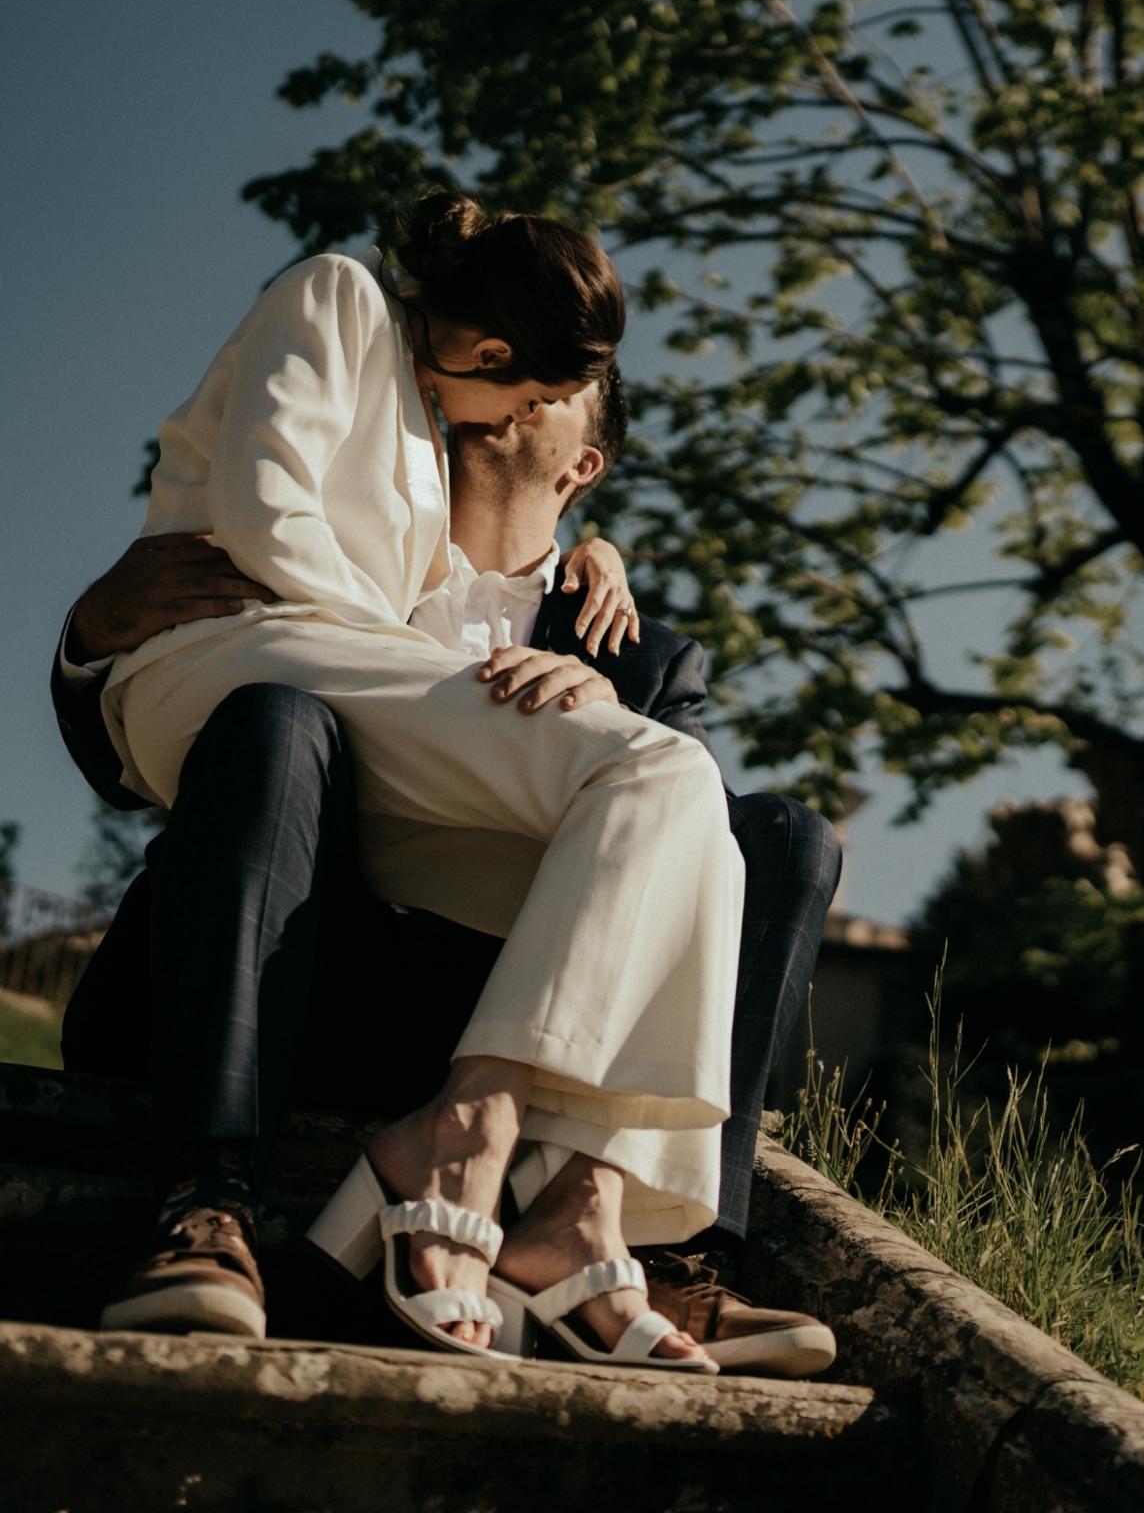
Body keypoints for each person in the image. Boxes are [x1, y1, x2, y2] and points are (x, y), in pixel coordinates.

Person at [52, 375, 840, 1375]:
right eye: (501, 362)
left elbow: (665, 905)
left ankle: (662, 1244)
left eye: (555, 384)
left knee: (780, 833)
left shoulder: (640, 657)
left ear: (583, 464)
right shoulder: (322, 546)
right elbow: (129, 775)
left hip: (480, 1031)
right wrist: (91, 636)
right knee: (274, 713)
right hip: (275, 978)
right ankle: (205, 1200)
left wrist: (609, 721)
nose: (517, 384)